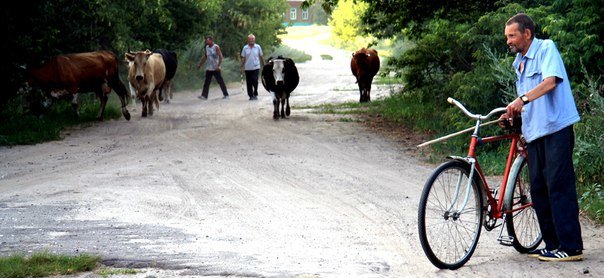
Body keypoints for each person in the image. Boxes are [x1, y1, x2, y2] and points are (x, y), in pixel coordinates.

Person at [502, 13, 583, 262]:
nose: (508, 41)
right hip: (535, 132)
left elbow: (551, 82)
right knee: (538, 188)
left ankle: (570, 247)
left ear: (527, 33)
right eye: (507, 37)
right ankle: (552, 244)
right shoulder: (519, 62)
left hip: (556, 128)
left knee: (558, 184)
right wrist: (514, 118)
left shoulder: (546, 48)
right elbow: (527, 104)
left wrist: (522, 99)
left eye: (512, 35)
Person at [196, 35, 229, 100]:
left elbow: (220, 56)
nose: (206, 41)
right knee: (207, 82)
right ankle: (204, 96)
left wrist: (218, 65)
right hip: (209, 68)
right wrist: (200, 64)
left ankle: (226, 95)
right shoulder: (207, 47)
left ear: (211, 40)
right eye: (206, 40)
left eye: (207, 40)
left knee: (220, 81)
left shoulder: (216, 47)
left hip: (215, 68)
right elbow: (205, 57)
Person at [240, 34, 264, 100]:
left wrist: (263, 65)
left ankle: (255, 93)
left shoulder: (258, 47)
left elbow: (261, 56)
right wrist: (241, 66)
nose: (251, 40)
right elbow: (243, 58)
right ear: (248, 40)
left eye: (252, 39)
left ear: (254, 40)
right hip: (247, 68)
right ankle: (250, 95)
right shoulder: (245, 48)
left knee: (255, 80)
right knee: (249, 82)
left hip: (256, 67)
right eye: (250, 39)